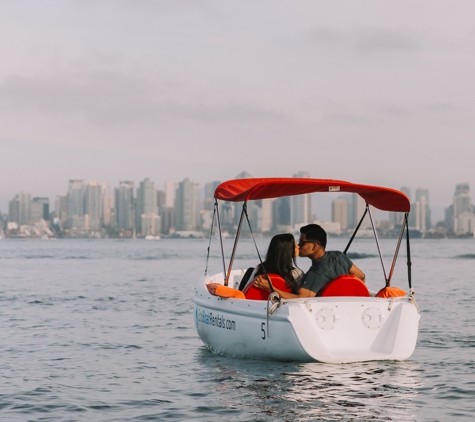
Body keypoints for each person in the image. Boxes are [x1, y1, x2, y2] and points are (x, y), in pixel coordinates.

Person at [254, 224, 365, 298]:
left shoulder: (315, 274)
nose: (298, 245)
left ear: (314, 246)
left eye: (302, 243)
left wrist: (270, 288)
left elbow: (299, 299)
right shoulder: (339, 256)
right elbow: (361, 277)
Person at [207, 233, 303, 298]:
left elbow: (244, 294)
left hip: (255, 308)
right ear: (287, 251)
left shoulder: (260, 268)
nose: (298, 246)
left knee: (250, 271)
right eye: (295, 246)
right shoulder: (297, 274)